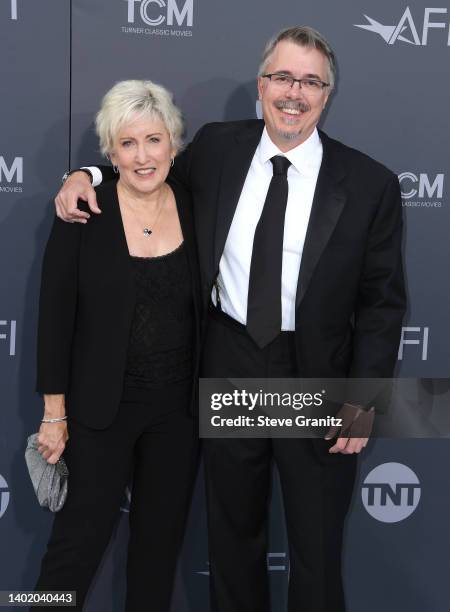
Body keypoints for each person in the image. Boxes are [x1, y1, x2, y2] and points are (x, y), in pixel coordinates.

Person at [54, 26, 406, 612]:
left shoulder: (370, 185)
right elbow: (146, 169)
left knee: (316, 552)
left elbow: (383, 302)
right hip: (230, 361)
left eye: (310, 81)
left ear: (327, 93)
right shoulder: (218, 149)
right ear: (261, 86)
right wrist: (86, 175)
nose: (294, 93)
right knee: (233, 539)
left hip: (320, 381)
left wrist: (364, 396)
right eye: (283, 78)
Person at [35, 79, 201, 611]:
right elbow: (55, 318)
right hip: (100, 413)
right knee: (73, 550)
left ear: (173, 143)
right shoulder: (84, 211)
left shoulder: (199, 204)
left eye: (154, 140)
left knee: (157, 553)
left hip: (178, 415)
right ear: (110, 152)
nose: (143, 156)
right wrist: (54, 414)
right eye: (127, 144)